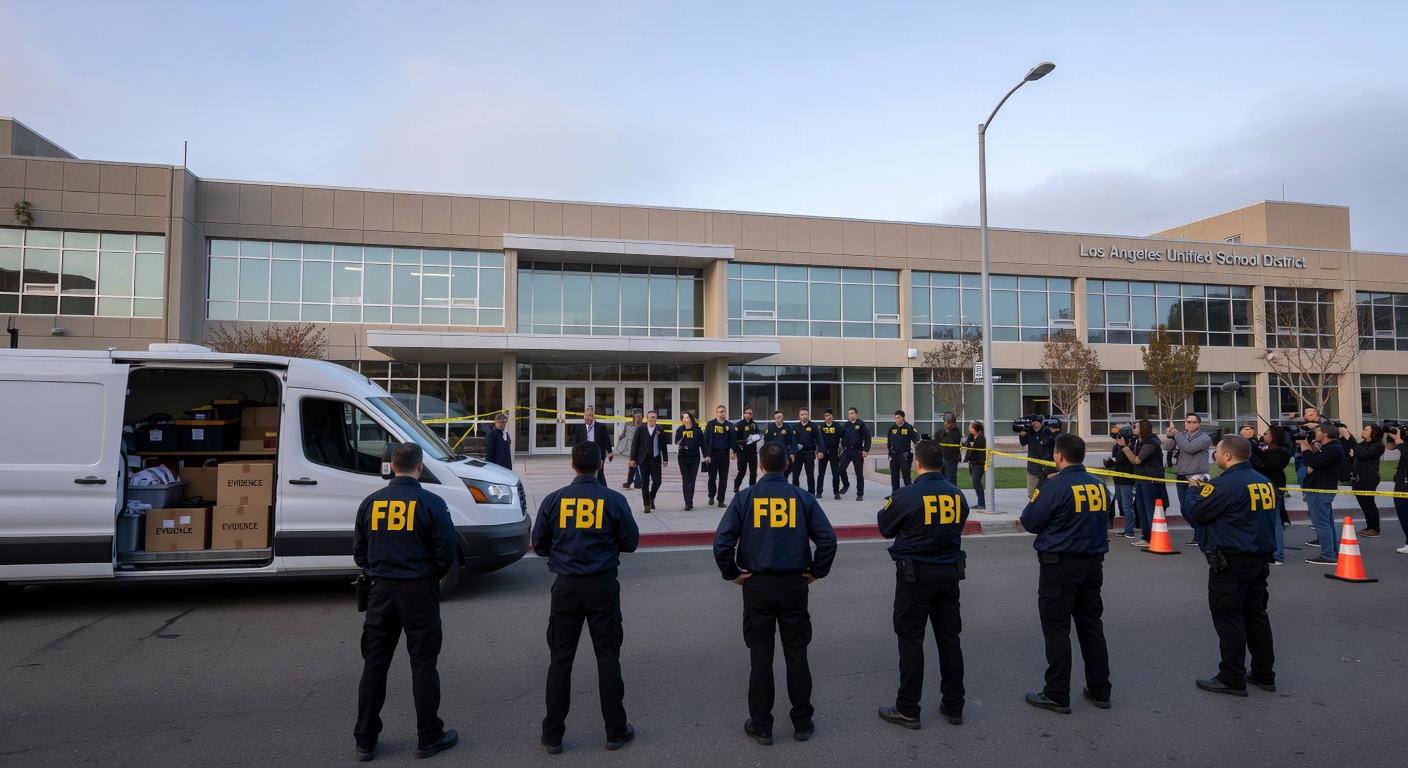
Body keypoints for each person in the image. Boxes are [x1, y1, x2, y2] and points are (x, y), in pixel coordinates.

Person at [713, 443, 837, 746]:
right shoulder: (802, 497)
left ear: (760, 465)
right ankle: (802, 723)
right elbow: (828, 540)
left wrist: (732, 574)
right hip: (794, 583)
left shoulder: (746, 496)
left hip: (757, 585)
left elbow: (722, 543)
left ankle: (762, 725)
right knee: (797, 654)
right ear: (787, 465)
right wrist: (815, 572)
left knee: (761, 657)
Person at [532, 441, 641, 754]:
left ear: (571, 466)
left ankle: (553, 735)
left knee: (560, 661)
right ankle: (615, 731)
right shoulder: (613, 499)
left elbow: (539, 545)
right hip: (602, 587)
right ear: (600, 466)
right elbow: (630, 542)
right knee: (607, 659)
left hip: (565, 587)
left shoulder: (554, 500)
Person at [352, 443, 459, 761]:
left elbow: (360, 553)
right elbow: (446, 554)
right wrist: (424, 574)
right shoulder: (432, 502)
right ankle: (429, 737)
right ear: (420, 467)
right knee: (423, 664)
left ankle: (365, 740)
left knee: (375, 665)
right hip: (418, 591)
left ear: (391, 467)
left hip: (380, 593)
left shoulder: (370, 503)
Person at [875, 440, 968, 730]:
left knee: (911, 642)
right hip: (949, 576)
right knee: (949, 640)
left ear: (917, 463)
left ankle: (908, 708)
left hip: (915, 578)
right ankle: (954, 705)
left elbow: (884, 527)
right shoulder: (957, 495)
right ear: (942, 463)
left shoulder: (906, 495)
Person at [1018, 434, 1112, 715]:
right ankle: (1100, 689)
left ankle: (1057, 693)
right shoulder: (1099, 486)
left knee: (1057, 629)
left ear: (1058, 455)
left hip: (1060, 566)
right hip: (1092, 564)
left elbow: (1030, 521)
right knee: (1091, 626)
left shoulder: (1052, 486)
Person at [1184, 437, 1277, 697]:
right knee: (1256, 616)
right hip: (1258, 558)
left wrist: (1193, 491)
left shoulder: (1224, 484)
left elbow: (1197, 514)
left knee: (1229, 618)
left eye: (1217, 452)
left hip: (1231, 560)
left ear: (1226, 456)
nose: (1215, 456)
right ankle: (1263, 673)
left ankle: (1231, 676)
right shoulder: (1264, 481)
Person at [1299, 422, 1345, 565]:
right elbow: (1318, 460)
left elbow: (1310, 462)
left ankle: (1328, 555)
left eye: (1318, 431)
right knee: (1327, 522)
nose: (1316, 433)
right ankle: (1333, 551)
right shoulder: (1329, 448)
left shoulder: (1333, 449)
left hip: (1320, 489)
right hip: (1321, 488)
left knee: (1322, 524)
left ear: (1325, 434)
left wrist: (1304, 447)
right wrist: (1311, 448)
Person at [1164, 414, 1213, 544]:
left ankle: (1200, 534)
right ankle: (1200, 531)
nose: (1189, 424)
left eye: (1192, 422)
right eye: (1187, 422)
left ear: (1198, 424)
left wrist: (1178, 435)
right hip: (1181, 474)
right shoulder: (1182, 436)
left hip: (1197, 476)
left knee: (1195, 506)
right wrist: (1171, 436)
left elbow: (1189, 448)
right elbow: (1167, 447)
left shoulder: (1204, 438)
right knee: (1184, 508)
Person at [1248, 426, 1292, 565]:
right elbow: (1259, 455)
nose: (1263, 435)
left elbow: (1264, 465)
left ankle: (1277, 555)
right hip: (1263, 487)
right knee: (1265, 520)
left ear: (1274, 436)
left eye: (1266, 434)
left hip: (1273, 487)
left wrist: (1251, 455)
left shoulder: (1282, 452)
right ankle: (1267, 551)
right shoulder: (1268, 450)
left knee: (1275, 520)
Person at [1117, 419, 1164, 548]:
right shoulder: (1139, 441)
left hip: (1151, 481)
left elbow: (1137, 460)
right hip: (1141, 480)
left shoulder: (1151, 443)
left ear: (1143, 429)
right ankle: (1146, 537)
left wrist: (1125, 449)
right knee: (1141, 509)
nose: (1134, 429)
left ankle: (1152, 536)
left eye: (1136, 427)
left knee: (1149, 510)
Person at [1348, 424, 1385, 537]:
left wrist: (1351, 438)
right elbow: (1355, 454)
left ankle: (1375, 528)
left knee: (1369, 503)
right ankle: (1370, 526)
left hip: (1369, 478)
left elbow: (1362, 454)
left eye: (1366, 429)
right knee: (1363, 504)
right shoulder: (1364, 444)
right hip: (1358, 478)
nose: (1363, 431)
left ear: (1373, 433)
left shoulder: (1378, 445)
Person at [630, 411, 669, 513]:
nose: (653, 419)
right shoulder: (641, 429)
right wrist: (632, 459)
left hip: (655, 458)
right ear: (647, 418)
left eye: (654, 417)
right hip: (643, 459)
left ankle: (652, 496)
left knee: (657, 481)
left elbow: (663, 445)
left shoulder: (659, 429)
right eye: (651, 417)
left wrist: (665, 459)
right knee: (645, 483)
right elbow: (635, 444)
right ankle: (646, 504)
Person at [1103, 428, 1138, 538]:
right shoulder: (1116, 447)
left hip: (1127, 480)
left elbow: (1123, 459)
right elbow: (1113, 462)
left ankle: (1129, 530)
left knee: (1127, 506)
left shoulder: (1131, 447)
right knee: (1122, 504)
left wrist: (1123, 447)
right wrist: (1109, 462)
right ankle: (1127, 528)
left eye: (1120, 437)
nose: (1118, 439)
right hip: (1118, 479)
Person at [572, 406, 614, 486]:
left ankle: (603, 491)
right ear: (584, 417)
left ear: (593, 416)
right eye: (587, 416)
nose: (589, 418)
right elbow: (576, 443)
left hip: (597, 453)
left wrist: (610, 452)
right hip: (584, 454)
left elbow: (606, 440)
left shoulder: (601, 427)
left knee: (599, 474)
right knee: (584, 474)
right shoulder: (579, 428)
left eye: (591, 416)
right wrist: (574, 457)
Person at [840, 407, 873, 502]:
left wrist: (866, 450)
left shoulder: (861, 424)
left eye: (853, 413)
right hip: (846, 451)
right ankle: (846, 484)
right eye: (850, 414)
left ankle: (860, 494)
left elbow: (868, 438)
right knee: (841, 469)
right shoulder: (845, 425)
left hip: (857, 451)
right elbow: (840, 436)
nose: (851, 415)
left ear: (856, 414)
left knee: (859, 474)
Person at [705, 405, 735, 507]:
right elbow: (706, 440)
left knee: (723, 479)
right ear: (716, 413)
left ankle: (721, 500)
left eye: (723, 411)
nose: (722, 413)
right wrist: (706, 455)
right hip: (713, 455)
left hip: (724, 455)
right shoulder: (711, 424)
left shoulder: (729, 425)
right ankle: (711, 496)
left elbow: (733, 440)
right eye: (720, 412)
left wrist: (733, 452)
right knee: (712, 477)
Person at [1384, 424, 1408, 555]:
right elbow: (1390, 447)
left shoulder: (1403, 443)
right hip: (1401, 482)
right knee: (1403, 515)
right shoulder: (1404, 440)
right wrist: (1391, 436)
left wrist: (1399, 441)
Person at [1019, 417, 1058, 495]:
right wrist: (1022, 435)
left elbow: (1052, 443)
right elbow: (1023, 443)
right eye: (1033, 424)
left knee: (1049, 494)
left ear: (1041, 423)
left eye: (1037, 423)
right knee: (1032, 494)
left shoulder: (1047, 432)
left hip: (1048, 469)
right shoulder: (1029, 432)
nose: (1035, 426)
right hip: (1033, 469)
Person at [675, 411, 705, 510]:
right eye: (683, 418)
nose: (685, 420)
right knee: (685, 479)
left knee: (692, 480)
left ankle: (690, 500)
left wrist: (707, 455)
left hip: (694, 457)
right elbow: (677, 442)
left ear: (691, 419)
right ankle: (687, 502)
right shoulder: (680, 429)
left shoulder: (697, 430)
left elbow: (702, 444)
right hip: (683, 457)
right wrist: (682, 439)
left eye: (687, 417)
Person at [886, 411, 921, 493]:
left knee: (906, 474)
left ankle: (908, 494)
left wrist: (917, 452)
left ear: (903, 417)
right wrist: (890, 452)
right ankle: (895, 493)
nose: (897, 420)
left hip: (904, 454)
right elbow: (889, 442)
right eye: (896, 418)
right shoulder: (892, 428)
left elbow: (916, 440)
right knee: (894, 475)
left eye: (898, 417)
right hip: (894, 455)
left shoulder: (909, 428)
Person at [790, 408, 820, 494]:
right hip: (798, 453)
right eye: (802, 414)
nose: (804, 416)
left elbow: (819, 439)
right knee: (795, 474)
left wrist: (820, 451)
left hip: (809, 453)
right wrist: (792, 452)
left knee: (810, 474)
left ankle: (811, 492)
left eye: (805, 414)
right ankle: (796, 492)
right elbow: (792, 440)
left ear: (808, 415)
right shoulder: (795, 427)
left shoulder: (813, 426)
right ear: (799, 416)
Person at [816, 409, 844, 500]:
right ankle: (819, 492)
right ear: (824, 417)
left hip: (834, 452)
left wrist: (841, 451)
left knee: (835, 473)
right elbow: (817, 440)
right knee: (821, 473)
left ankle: (836, 492)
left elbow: (842, 438)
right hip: (823, 452)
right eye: (827, 415)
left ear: (832, 416)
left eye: (830, 415)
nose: (829, 417)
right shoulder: (821, 426)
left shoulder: (837, 426)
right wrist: (819, 452)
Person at [733, 406, 761, 494]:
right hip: (742, 452)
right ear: (744, 414)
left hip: (752, 452)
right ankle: (736, 486)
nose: (749, 415)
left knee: (753, 472)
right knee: (742, 471)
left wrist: (757, 437)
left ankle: (752, 488)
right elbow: (735, 439)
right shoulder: (739, 425)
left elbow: (758, 434)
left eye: (750, 413)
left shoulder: (754, 424)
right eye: (747, 413)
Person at [614, 412, 644, 490]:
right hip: (629, 446)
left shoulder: (642, 426)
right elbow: (623, 434)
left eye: (639, 417)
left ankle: (635, 481)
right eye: (636, 417)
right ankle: (630, 481)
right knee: (632, 463)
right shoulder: (628, 424)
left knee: (635, 464)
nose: (638, 418)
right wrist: (618, 443)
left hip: (638, 446)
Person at [961, 421, 987, 511]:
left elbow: (977, 449)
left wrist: (972, 445)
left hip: (979, 463)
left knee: (976, 482)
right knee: (975, 482)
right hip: (972, 462)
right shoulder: (971, 436)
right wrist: (969, 444)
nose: (969, 428)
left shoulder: (981, 438)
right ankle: (979, 502)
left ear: (976, 429)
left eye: (971, 427)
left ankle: (982, 503)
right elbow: (965, 444)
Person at [937, 413, 963, 487]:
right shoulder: (943, 432)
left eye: (948, 422)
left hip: (951, 459)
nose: (946, 424)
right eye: (945, 422)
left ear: (952, 423)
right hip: (944, 458)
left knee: (950, 479)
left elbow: (947, 441)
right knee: (943, 479)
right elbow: (937, 438)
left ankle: (952, 495)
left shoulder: (955, 433)